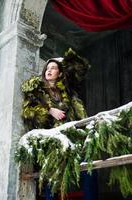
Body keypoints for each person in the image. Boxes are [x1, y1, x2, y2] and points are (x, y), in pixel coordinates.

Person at [21, 49, 98, 200]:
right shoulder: (37, 92)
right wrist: (48, 110)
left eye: (53, 68)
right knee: (52, 177)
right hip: (51, 140)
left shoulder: (68, 92)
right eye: (47, 68)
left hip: (72, 138)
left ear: (60, 73)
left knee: (90, 167)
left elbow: (80, 69)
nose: (49, 70)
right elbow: (27, 112)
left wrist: (65, 61)